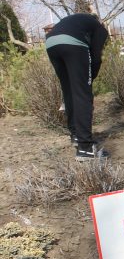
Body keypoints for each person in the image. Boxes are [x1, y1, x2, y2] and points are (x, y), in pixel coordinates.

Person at [45, 13, 109, 160]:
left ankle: (76, 136)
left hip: (51, 43)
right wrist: (88, 79)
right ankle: (85, 148)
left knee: (68, 90)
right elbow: (96, 58)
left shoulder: (75, 20)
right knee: (82, 94)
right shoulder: (99, 28)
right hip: (72, 44)